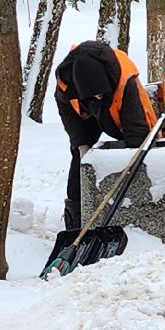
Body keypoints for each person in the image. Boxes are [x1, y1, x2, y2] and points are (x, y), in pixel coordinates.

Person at [54, 41, 158, 231]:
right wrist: (81, 144)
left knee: (133, 153)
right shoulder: (66, 82)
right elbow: (68, 114)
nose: (99, 98)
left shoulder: (125, 81)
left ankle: (130, 209)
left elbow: (137, 129)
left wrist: (133, 165)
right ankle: (76, 215)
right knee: (79, 157)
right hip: (84, 111)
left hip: (120, 112)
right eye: (96, 95)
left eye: (101, 94)